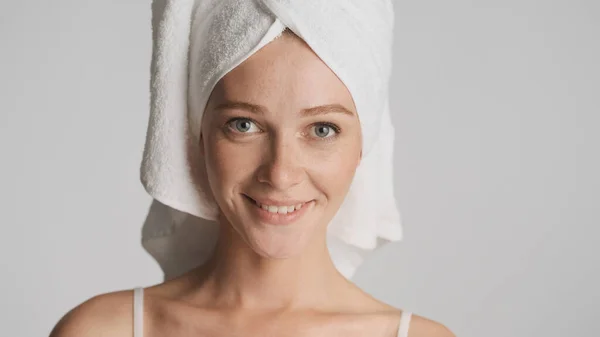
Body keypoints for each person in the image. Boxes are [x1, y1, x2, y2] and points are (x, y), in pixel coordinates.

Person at [50, 2, 456, 336]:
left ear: (365, 143)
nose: (280, 173)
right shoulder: (101, 331)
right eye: (243, 125)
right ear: (197, 133)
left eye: (322, 129)